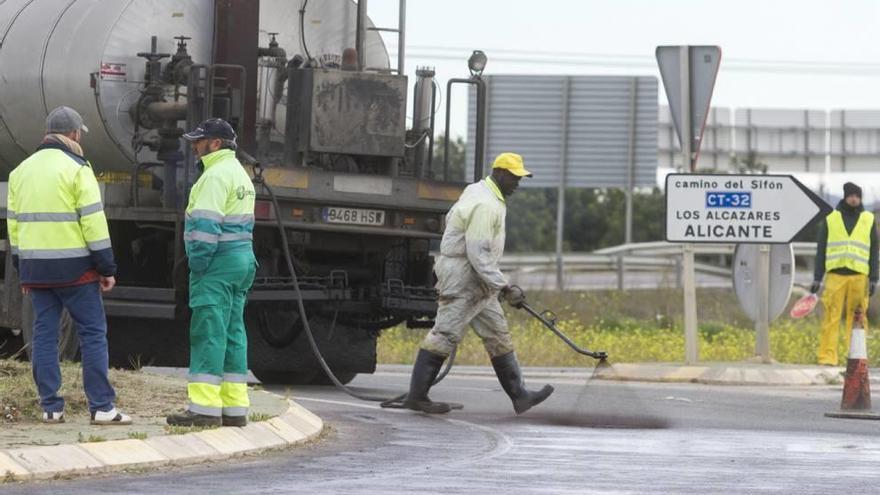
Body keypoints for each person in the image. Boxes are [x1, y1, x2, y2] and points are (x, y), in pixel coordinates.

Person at [404, 152, 553, 415]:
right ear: (501, 173)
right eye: (515, 178)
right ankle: (417, 396)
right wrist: (505, 287)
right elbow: (478, 252)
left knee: (497, 334)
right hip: (464, 277)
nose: (518, 183)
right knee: (445, 333)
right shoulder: (486, 205)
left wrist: (495, 285)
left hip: (478, 281)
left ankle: (520, 396)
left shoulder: (479, 190)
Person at [7, 106, 130, 425]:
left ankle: (50, 407)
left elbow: (15, 228)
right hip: (76, 271)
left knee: (44, 334)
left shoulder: (21, 171)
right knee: (92, 333)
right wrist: (107, 268)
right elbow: (93, 224)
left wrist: (23, 269)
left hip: (36, 271)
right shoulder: (78, 169)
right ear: (73, 135)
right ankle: (102, 407)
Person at [166, 118, 257, 427]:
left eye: (199, 141)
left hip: (216, 265)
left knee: (208, 332)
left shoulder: (214, 176)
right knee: (233, 333)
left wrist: (197, 265)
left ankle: (203, 408)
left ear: (215, 144)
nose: (193, 146)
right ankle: (234, 409)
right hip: (242, 261)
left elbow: (206, 228)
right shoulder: (240, 175)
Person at [812, 182, 879, 365]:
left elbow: (874, 251)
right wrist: (817, 277)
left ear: (860, 197)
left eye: (857, 195)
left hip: (859, 277)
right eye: (851, 195)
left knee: (858, 319)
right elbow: (821, 249)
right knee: (830, 317)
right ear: (845, 196)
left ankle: (856, 358)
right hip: (835, 276)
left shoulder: (868, 219)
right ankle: (827, 358)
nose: (854, 198)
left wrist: (874, 278)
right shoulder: (831, 218)